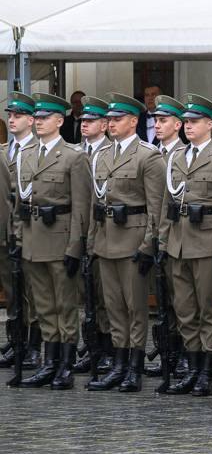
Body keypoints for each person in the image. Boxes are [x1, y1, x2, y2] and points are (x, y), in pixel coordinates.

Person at [158, 94, 212, 397]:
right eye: (187, 122)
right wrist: (163, 241)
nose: (189, 127)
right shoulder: (176, 158)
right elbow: (168, 204)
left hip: (208, 244)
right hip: (178, 245)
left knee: (208, 311)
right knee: (184, 310)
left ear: (210, 124)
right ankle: (192, 368)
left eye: (195, 122)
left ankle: (206, 370)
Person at [86, 93, 164, 393]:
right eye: (110, 119)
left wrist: (148, 245)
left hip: (133, 239)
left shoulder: (148, 156)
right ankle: (118, 364)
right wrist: (92, 244)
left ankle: (134, 366)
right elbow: (97, 202)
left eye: (117, 119)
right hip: (106, 240)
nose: (111, 124)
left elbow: (155, 206)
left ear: (133, 121)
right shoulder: (102, 155)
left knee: (135, 309)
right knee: (114, 306)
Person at [17, 93, 92, 390]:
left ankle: (65, 363)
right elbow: (20, 202)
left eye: (44, 118)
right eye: (36, 117)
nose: (38, 122)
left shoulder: (74, 157)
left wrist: (76, 246)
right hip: (34, 239)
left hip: (60, 240)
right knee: (44, 306)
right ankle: (49, 362)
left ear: (60, 121)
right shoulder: (27, 154)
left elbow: (81, 207)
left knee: (65, 305)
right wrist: (18, 237)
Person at [144, 95, 188, 379]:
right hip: (159, 237)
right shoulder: (151, 154)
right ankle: (167, 353)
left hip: (181, 239)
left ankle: (184, 356)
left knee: (182, 302)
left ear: (177, 124)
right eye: (156, 121)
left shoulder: (183, 155)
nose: (157, 126)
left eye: (163, 121)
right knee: (163, 302)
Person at [71, 97, 114, 375]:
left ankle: (109, 351)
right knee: (87, 297)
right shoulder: (76, 153)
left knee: (106, 297)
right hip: (82, 232)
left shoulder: (111, 152)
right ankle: (93, 348)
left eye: (91, 121)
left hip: (106, 233)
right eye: (83, 121)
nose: (85, 126)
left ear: (104, 125)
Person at [0, 93, 41, 371]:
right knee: (13, 292)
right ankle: (17, 342)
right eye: (10, 116)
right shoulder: (5, 151)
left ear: (31, 120)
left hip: (33, 233)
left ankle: (34, 346)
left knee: (34, 294)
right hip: (7, 235)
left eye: (18, 116)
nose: (12, 120)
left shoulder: (41, 150)